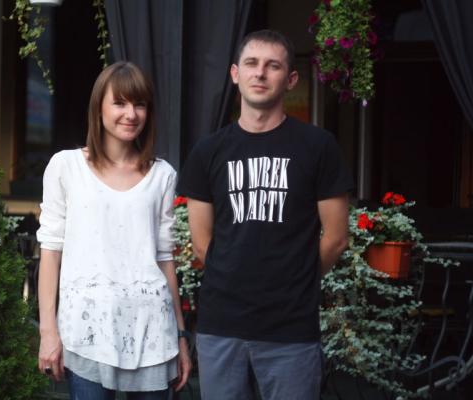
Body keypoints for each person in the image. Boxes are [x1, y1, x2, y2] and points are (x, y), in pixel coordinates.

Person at [176, 30, 353, 400]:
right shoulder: (208, 151)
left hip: (291, 330)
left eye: (273, 66)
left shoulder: (318, 147)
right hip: (221, 326)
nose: (260, 73)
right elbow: (202, 243)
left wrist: (297, 280)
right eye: (251, 64)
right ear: (235, 73)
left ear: (291, 79)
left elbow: (336, 237)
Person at [36, 61, 191, 400]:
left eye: (140, 104)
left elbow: (165, 259)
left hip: (153, 332)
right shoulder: (66, 167)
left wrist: (180, 336)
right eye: (119, 103)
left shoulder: (163, 175)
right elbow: (50, 252)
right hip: (86, 331)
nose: (131, 114)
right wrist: (48, 332)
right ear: (99, 108)